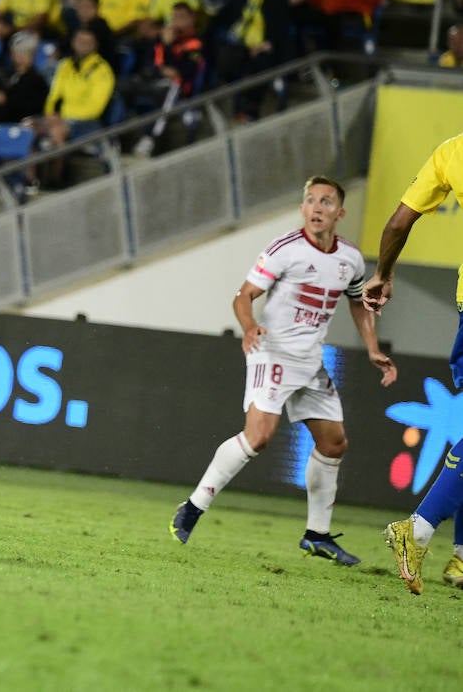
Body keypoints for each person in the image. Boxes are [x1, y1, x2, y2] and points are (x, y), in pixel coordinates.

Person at [170, 176, 397, 564]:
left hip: (310, 362)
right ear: (303, 210)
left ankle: (317, 534)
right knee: (258, 437)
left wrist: (373, 348)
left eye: (326, 202)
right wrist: (248, 327)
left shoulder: (351, 260)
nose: (317, 208)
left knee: (334, 443)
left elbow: (358, 302)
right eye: (310, 201)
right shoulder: (284, 250)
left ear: (340, 213)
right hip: (271, 351)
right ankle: (192, 507)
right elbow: (244, 295)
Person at [368, 135, 463, 594]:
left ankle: (458, 554)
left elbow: (396, 224)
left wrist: (384, 273)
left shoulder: (453, 151)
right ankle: (420, 531)